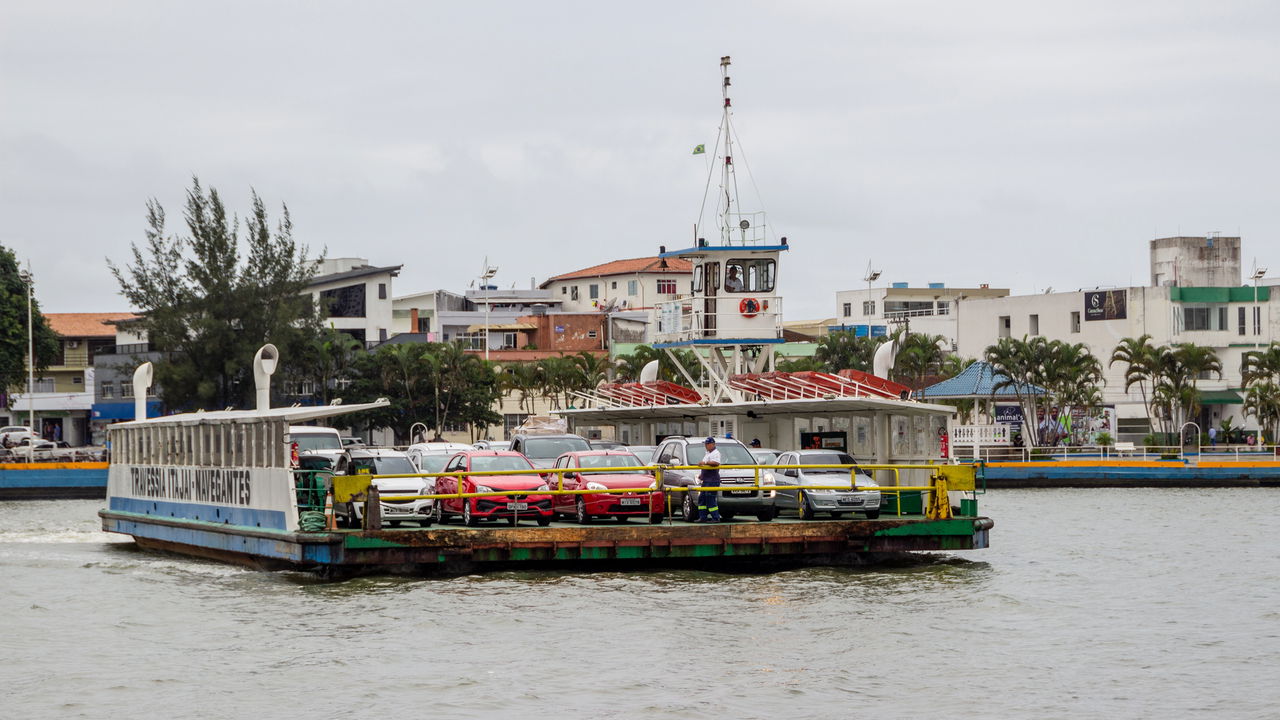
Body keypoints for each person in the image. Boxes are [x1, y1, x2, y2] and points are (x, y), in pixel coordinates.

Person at [696, 437, 722, 523]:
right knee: (702, 498)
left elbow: (716, 463)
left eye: (708, 444)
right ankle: (703, 517)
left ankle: (716, 518)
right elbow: (706, 465)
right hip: (706, 480)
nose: (706, 446)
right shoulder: (707, 453)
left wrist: (705, 463)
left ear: (713, 444)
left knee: (710, 499)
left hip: (712, 480)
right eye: (705, 444)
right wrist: (701, 475)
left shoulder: (716, 453)